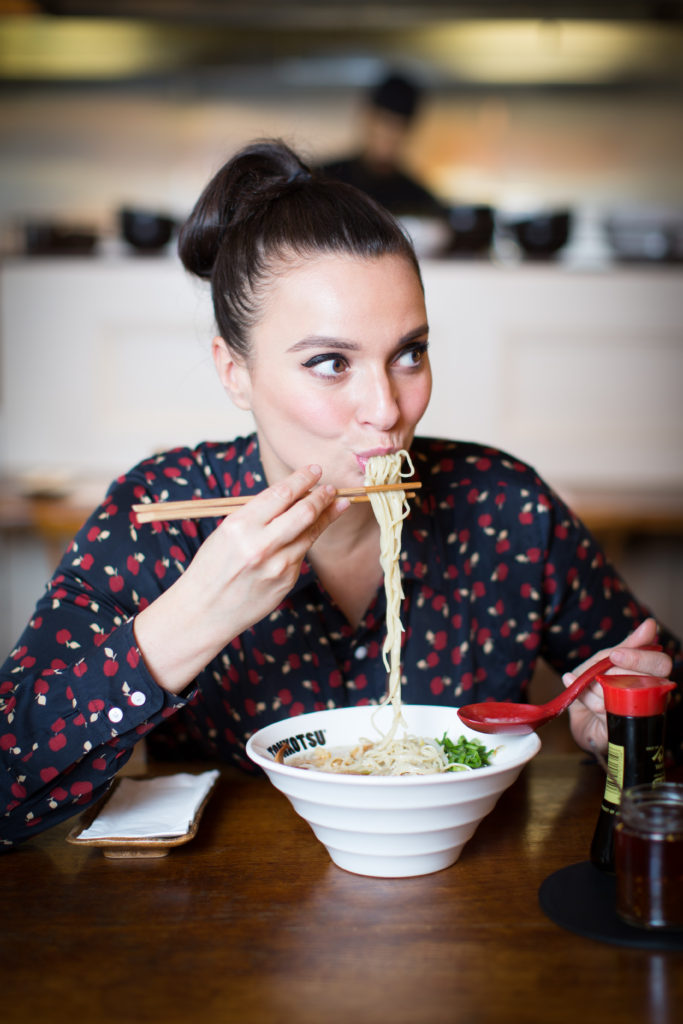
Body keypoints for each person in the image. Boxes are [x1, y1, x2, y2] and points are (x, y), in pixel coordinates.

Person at [1, 139, 680, 851]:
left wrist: (626, 727)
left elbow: (654, 685)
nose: (386, 409)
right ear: (234, 372)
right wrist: (192, 617)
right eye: (330, 363)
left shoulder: (504, 507)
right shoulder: (158, 513)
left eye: (409, 354)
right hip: (224, 900)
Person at [318, 71, 449, 222]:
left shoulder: (419, 199)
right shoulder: (325, 182)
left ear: (408, 131)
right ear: (368, 118)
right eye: (384, 122)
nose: (389, 134)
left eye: (397, 126)